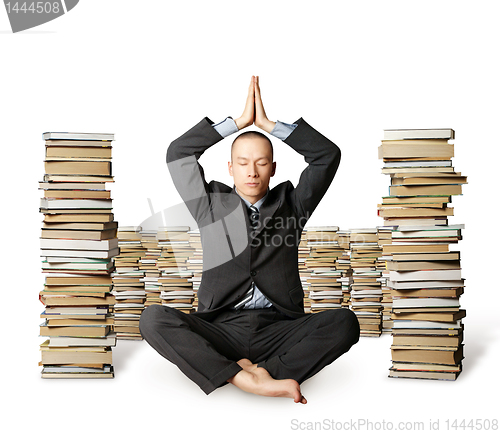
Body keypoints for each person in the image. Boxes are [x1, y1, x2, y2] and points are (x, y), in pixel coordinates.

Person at [140, 76, 360, 404]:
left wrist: (271, 126)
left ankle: (261, 370)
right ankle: (249, 378)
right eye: (243, 163)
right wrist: (237, 124)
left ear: (273, 168)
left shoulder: (293, 205)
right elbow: (179, 153)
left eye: (260, 163)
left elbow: (326, 156)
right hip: (221, 326)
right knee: (152, 319)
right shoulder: (209, 203)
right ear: (230, 168)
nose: (252, 171)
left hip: (280, 327)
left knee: (345, 323)